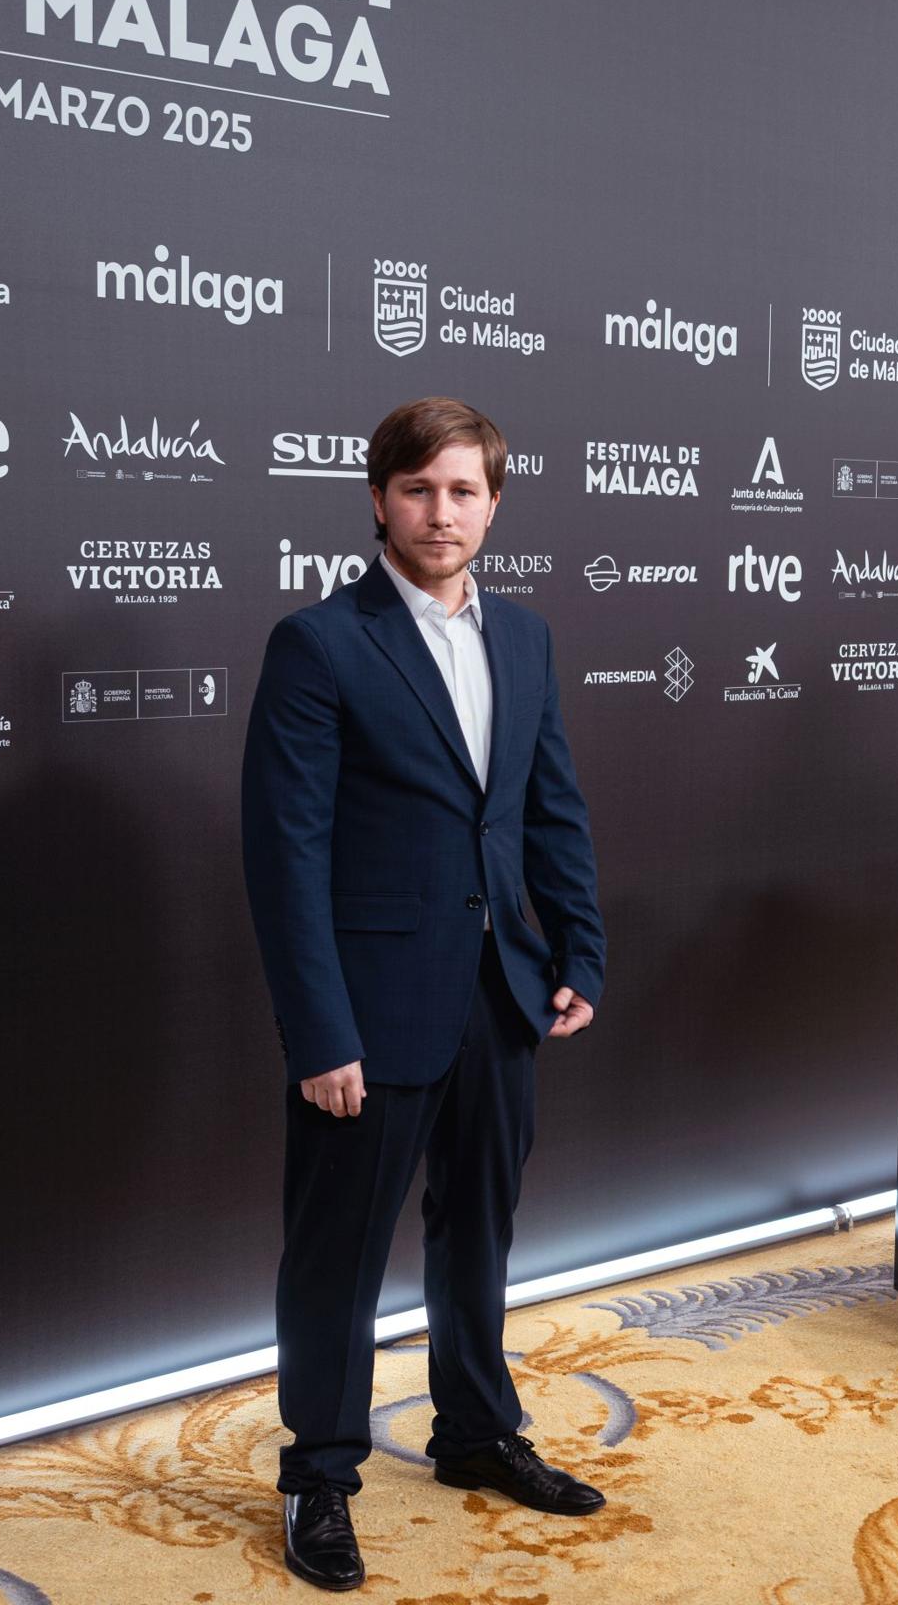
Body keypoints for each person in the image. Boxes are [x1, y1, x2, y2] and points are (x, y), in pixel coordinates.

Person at [242, 396, 607, 1592]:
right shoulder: (320, 642)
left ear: (494, 503)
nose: (440, 513)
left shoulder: (527, 639)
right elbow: (283, 853)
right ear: (378, 500)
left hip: (500, 995)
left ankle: (474, 1434)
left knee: (477, 1236)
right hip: (370, 1013)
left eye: (463, 491)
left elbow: (546, 810)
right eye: (417, 489)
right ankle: (321, 1479)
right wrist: (319, 1030)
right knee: (336, 1258)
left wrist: (577, 955)